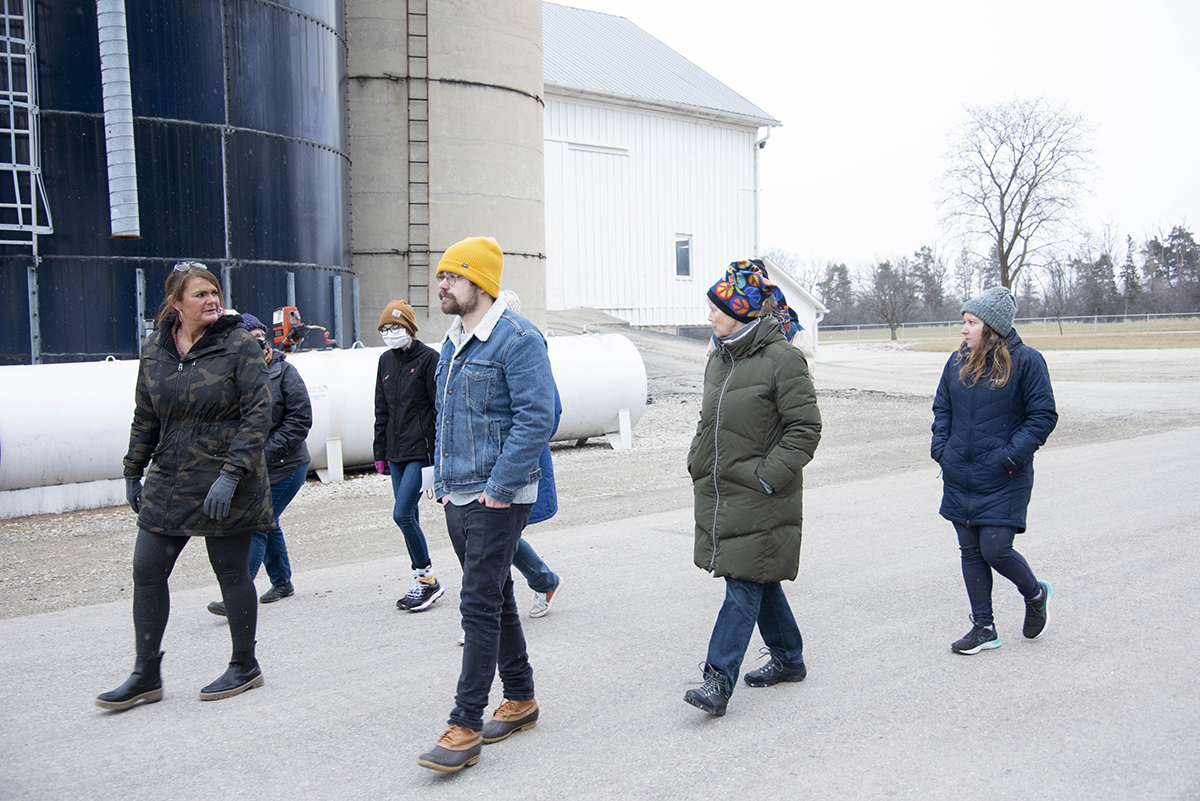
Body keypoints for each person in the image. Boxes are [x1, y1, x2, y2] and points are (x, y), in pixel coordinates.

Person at [97, 262, 274, 711]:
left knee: (231, 572)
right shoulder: (155, 349)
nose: (212, 299)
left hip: (226, 480)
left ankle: (244, 664)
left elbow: (258, 415)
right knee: (147, 570)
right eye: (200, 295)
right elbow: (146, 416)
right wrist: (133, 471)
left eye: (214, 291)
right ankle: (145, 674)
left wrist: (231, 476)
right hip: (170, 478)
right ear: (176, 304)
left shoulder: (238, 344)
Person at [417, 237, 555, 772]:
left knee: (475, 603)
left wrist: (499, 489)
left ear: (479, 281)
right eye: (442, 277)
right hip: (458, 490)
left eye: (451, 277)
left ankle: (465, 725)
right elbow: (446, 418)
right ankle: (520, 699)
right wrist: (442, 481)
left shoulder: (517, 340)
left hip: (499, 495)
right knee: (495, 596)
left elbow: (537, 419)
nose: (442, 286)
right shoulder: (453, 342)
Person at [684, 261, 822, 717]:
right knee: (756, 577)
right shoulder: (721, 357)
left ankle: (717, 680)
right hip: (724, 489)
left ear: (739, 310)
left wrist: (767, 476)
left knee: (743, 583)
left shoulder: (783, 358)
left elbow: (805, 428)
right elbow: (710, 421)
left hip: (763, 493)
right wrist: (697, 458)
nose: (708, 317)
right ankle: (789, 657)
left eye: (714, 309)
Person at [931, 286, 1057, 655]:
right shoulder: (956, 363)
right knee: (970, 552)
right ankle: (983, 627)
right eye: (964, 322)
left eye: (971, 322)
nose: (964, 330)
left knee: (996, 550)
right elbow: (942, 409)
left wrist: (1008, 458)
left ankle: (1035, 595)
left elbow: (1042, 417)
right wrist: (942, 450)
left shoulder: (1027, 361)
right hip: (960, 474)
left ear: (993, 327)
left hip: (1005, 476)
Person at [206, 313, 312, 616]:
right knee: (270, 522)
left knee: (257, 525)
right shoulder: (242, 376)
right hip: (259, 466)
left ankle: (237, 594)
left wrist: (262, 451)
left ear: (265, 346)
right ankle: (282, 582)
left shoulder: (285, 373)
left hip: (286, 466)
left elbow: (300, 420)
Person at [373, 300, 443, 611]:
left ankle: (426, 579)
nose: (391, 333)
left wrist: (439, 452)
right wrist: (380, 451)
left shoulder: (429, 359)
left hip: (421, 450)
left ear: (410, 328)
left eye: (397, 328)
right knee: (409, 516)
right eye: (385, 329)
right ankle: (423, 580)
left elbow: (439, 408)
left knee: (401, 514)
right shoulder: (385, 362)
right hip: (396, 450)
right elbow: (381, 409)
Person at [498, 290, 563, 619]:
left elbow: (550, 413)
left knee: (496, 536)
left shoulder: (526, 349)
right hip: (490, 464)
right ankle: (543, 580)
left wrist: (519, 451)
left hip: (513, 464)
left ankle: (486, 616)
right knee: (496, 536)